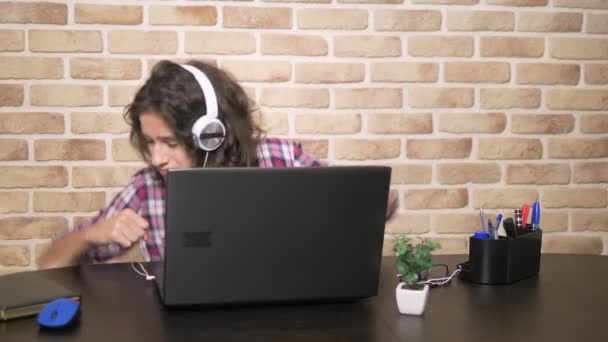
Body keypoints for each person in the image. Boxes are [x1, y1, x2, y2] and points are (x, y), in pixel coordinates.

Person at [38, 60, 398, 269]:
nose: (157, 158)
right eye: (149, 142)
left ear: (210, 134)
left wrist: (375, 203)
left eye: (170, 143)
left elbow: (355, 206)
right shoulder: (147, 187)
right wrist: (90, 234)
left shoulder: (280, 158)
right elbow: (48, 265)